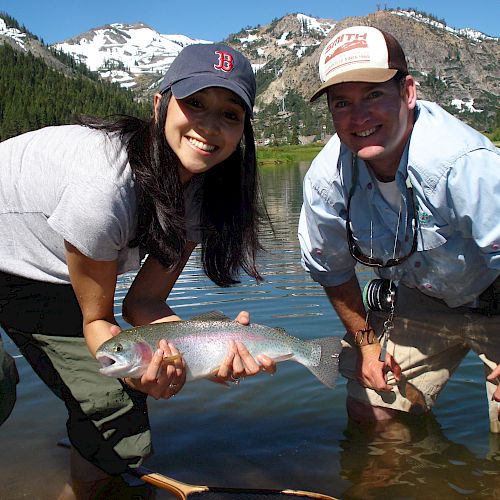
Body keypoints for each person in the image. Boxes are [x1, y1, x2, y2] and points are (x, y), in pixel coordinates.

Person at [0, 42, 276, 498]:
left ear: (243, 129)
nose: (209, 125)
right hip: (19, 254)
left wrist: (209, 349)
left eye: (230, 114)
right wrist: (136, 368)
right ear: (159, 105)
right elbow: (97, 320)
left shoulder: (199, 195)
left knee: (116, 418)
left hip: (44, 270)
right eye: (195, 103)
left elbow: (143, 302)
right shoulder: (104, 188)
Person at [298, 26, 500, 432]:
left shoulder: (463, 163)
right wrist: (367, 345)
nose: (359, 117)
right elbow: (332, 271)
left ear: (408, 92)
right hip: (417, 298)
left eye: (374, 95)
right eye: (342, 103)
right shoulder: (326, 179)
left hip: (497, 295)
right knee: (372, 410)